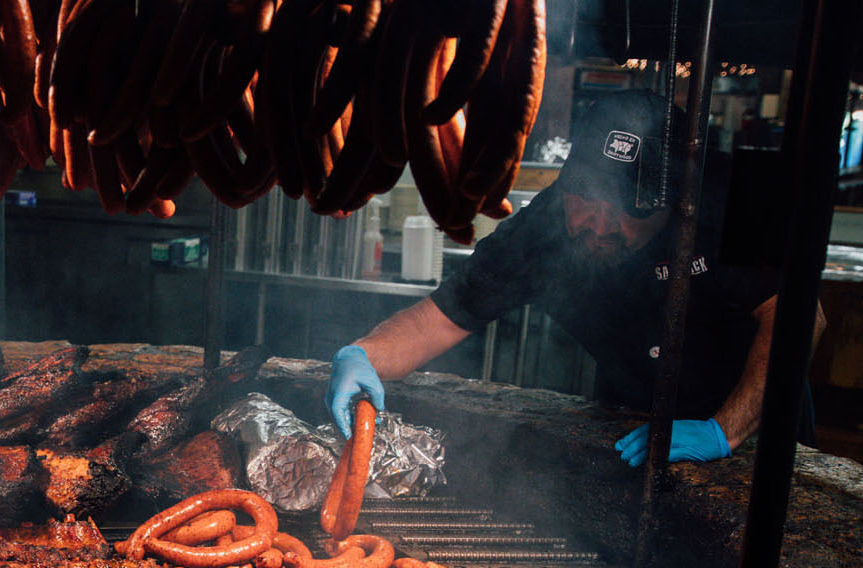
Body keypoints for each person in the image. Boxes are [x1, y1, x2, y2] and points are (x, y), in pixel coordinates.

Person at [326, 88, 821, 466]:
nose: (598, 227)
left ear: (671, 201)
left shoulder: (733, 197)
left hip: (747, 430)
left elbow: (801, 316)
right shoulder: (540, 230)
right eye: (585, 199)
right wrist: (362, 355)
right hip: (633, 424)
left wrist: (720, 432)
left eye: (625, 211)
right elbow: (438, 319)